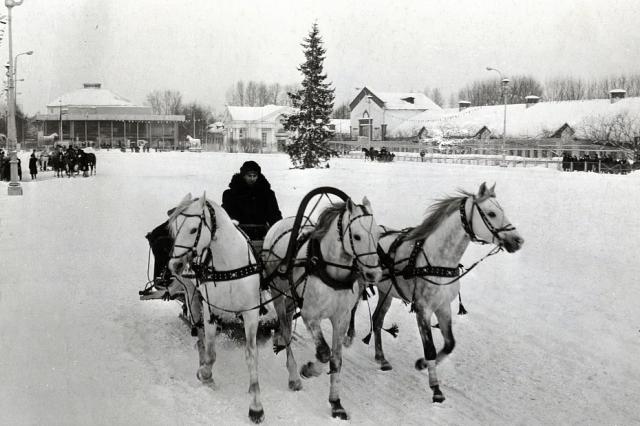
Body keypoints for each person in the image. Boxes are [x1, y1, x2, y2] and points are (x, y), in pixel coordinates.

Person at [222, 160, 282, 240]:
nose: (252, 178)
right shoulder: (231, 194)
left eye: (255, 176)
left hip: (262, 234)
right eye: (249, 176)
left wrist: (278, 230)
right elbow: (226, 215)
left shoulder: (267, 194)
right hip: (238, 235)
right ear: (243, 176)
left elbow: (274, 214)